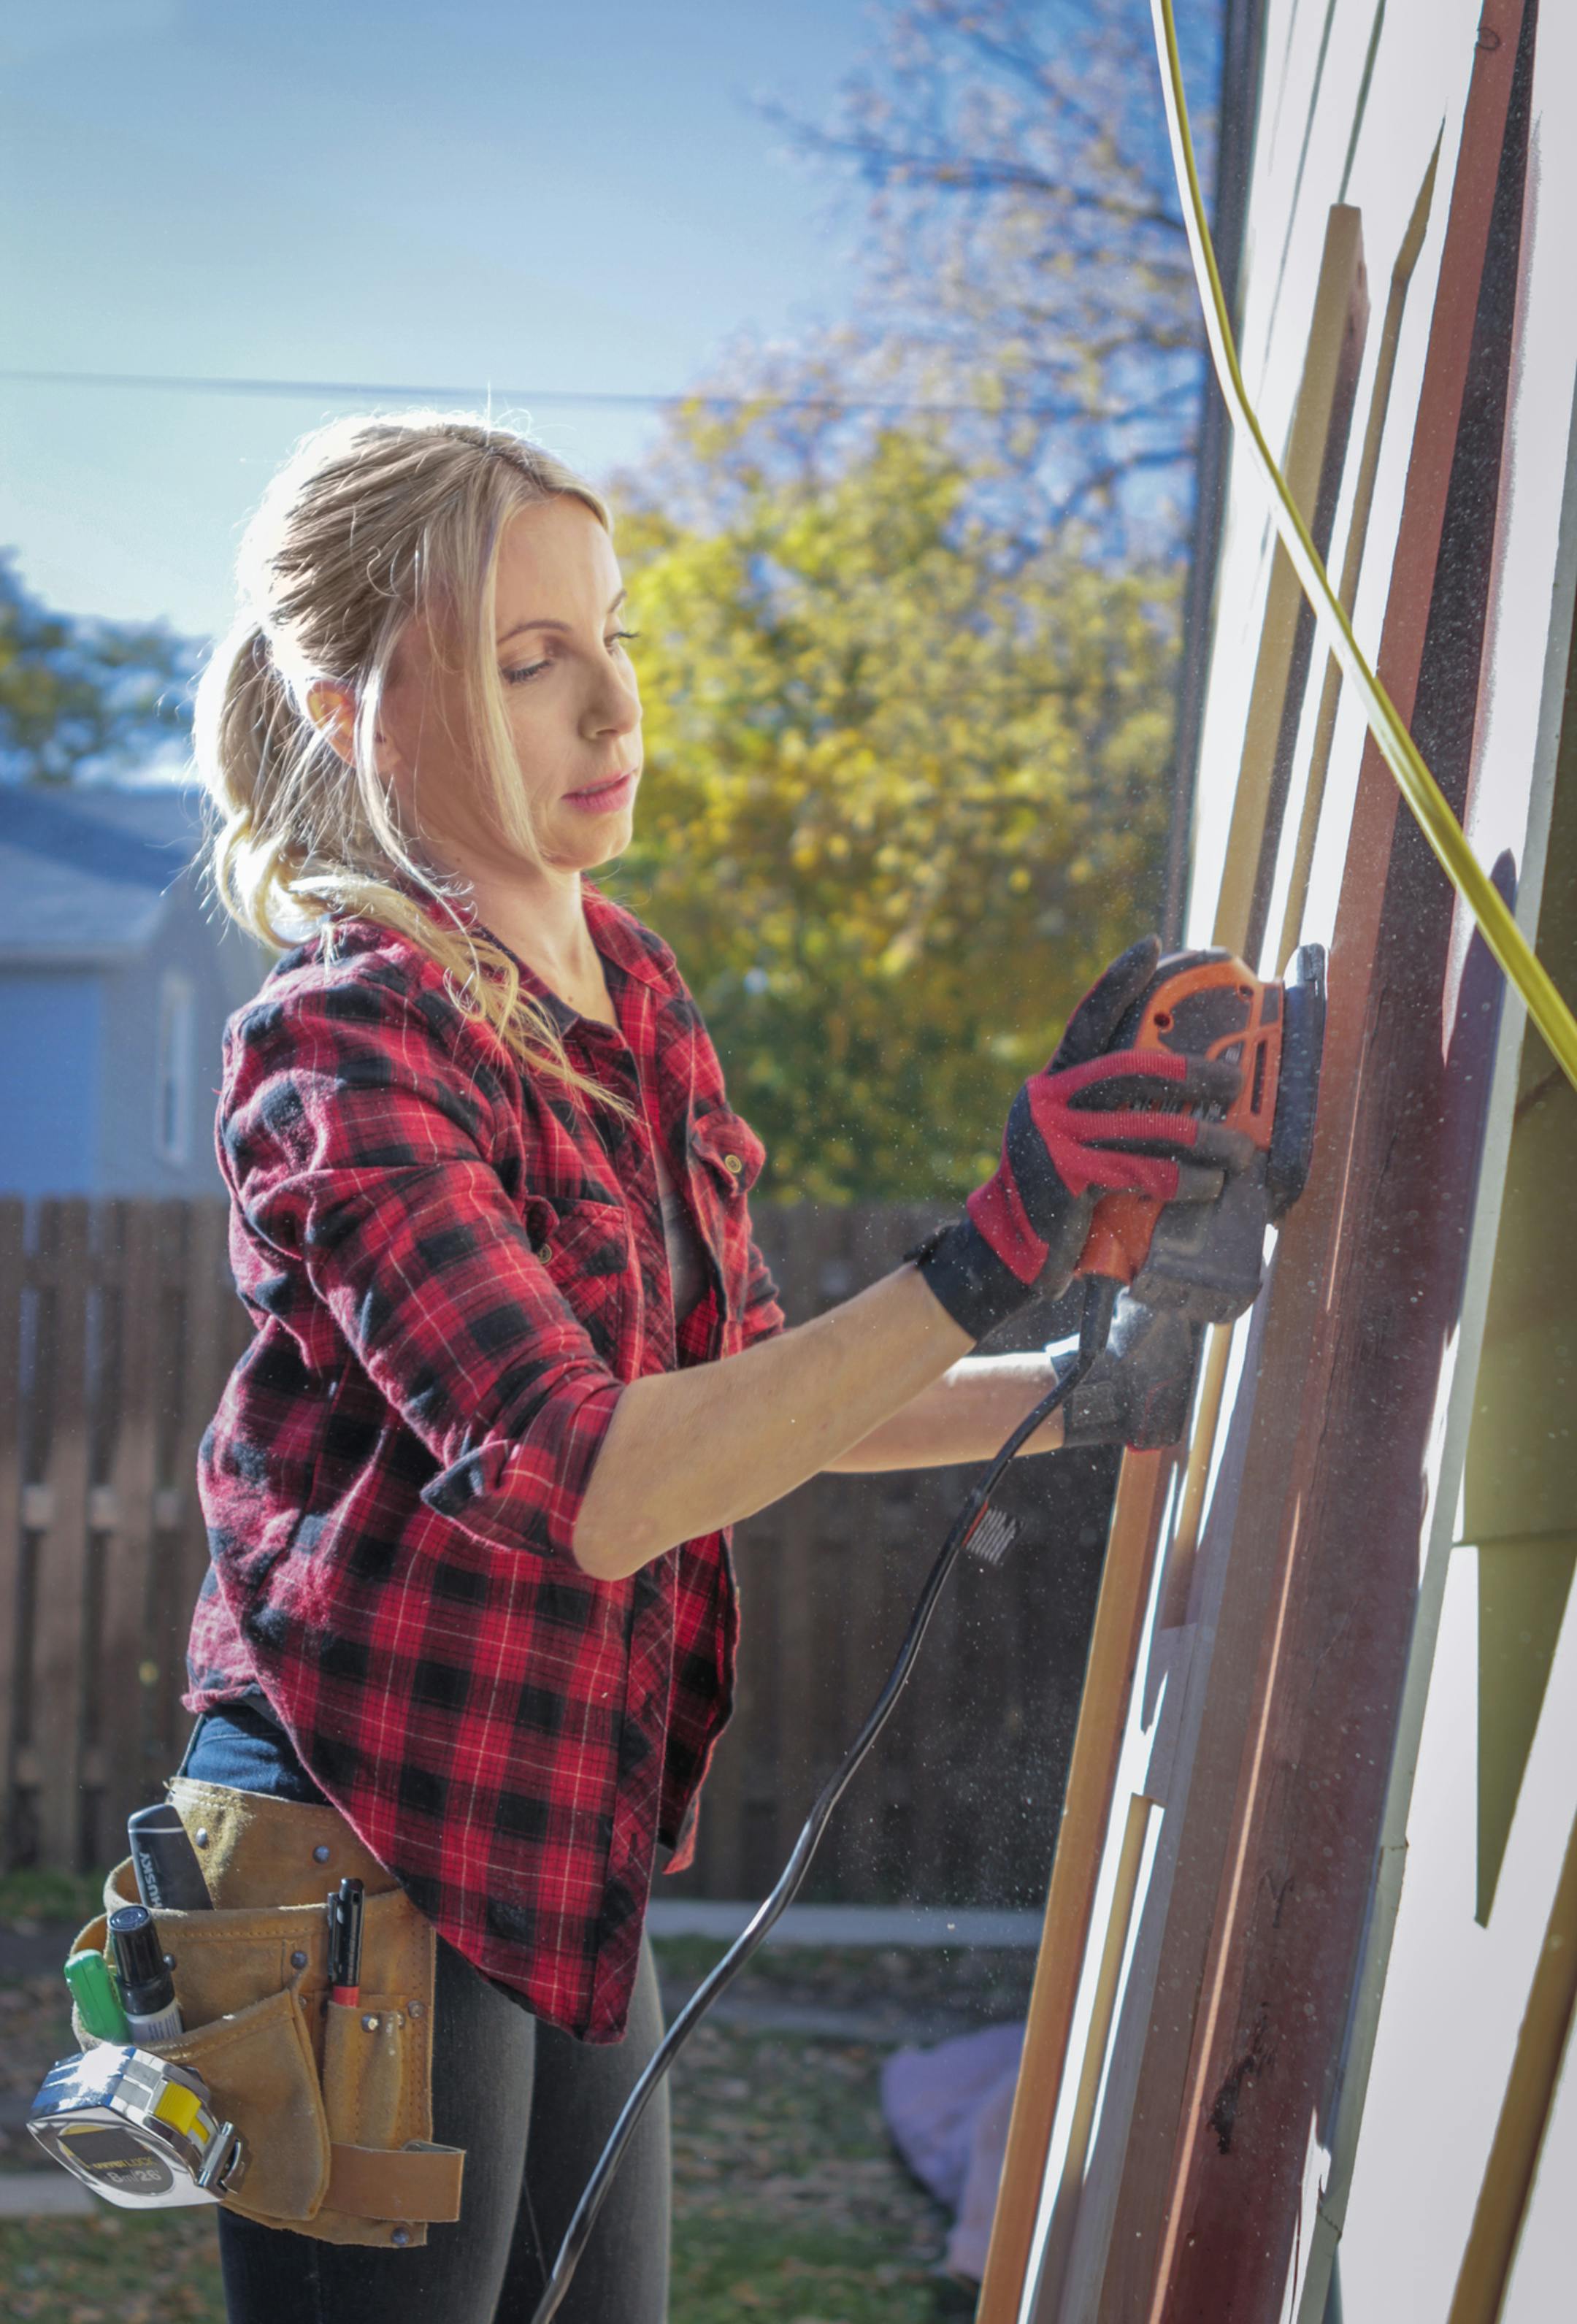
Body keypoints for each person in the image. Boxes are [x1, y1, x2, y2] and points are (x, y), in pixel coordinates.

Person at [177, 410, 1247, 2323]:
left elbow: (748, 1398)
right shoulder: (338, 1048)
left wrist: (1092, 1384)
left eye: (613, 638)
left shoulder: (635, 995)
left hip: (543, 1825)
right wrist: (994, 1245)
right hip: (342, 1843)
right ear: (352, 719)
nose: (612, 707)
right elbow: (603, 1482)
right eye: (527, 661)